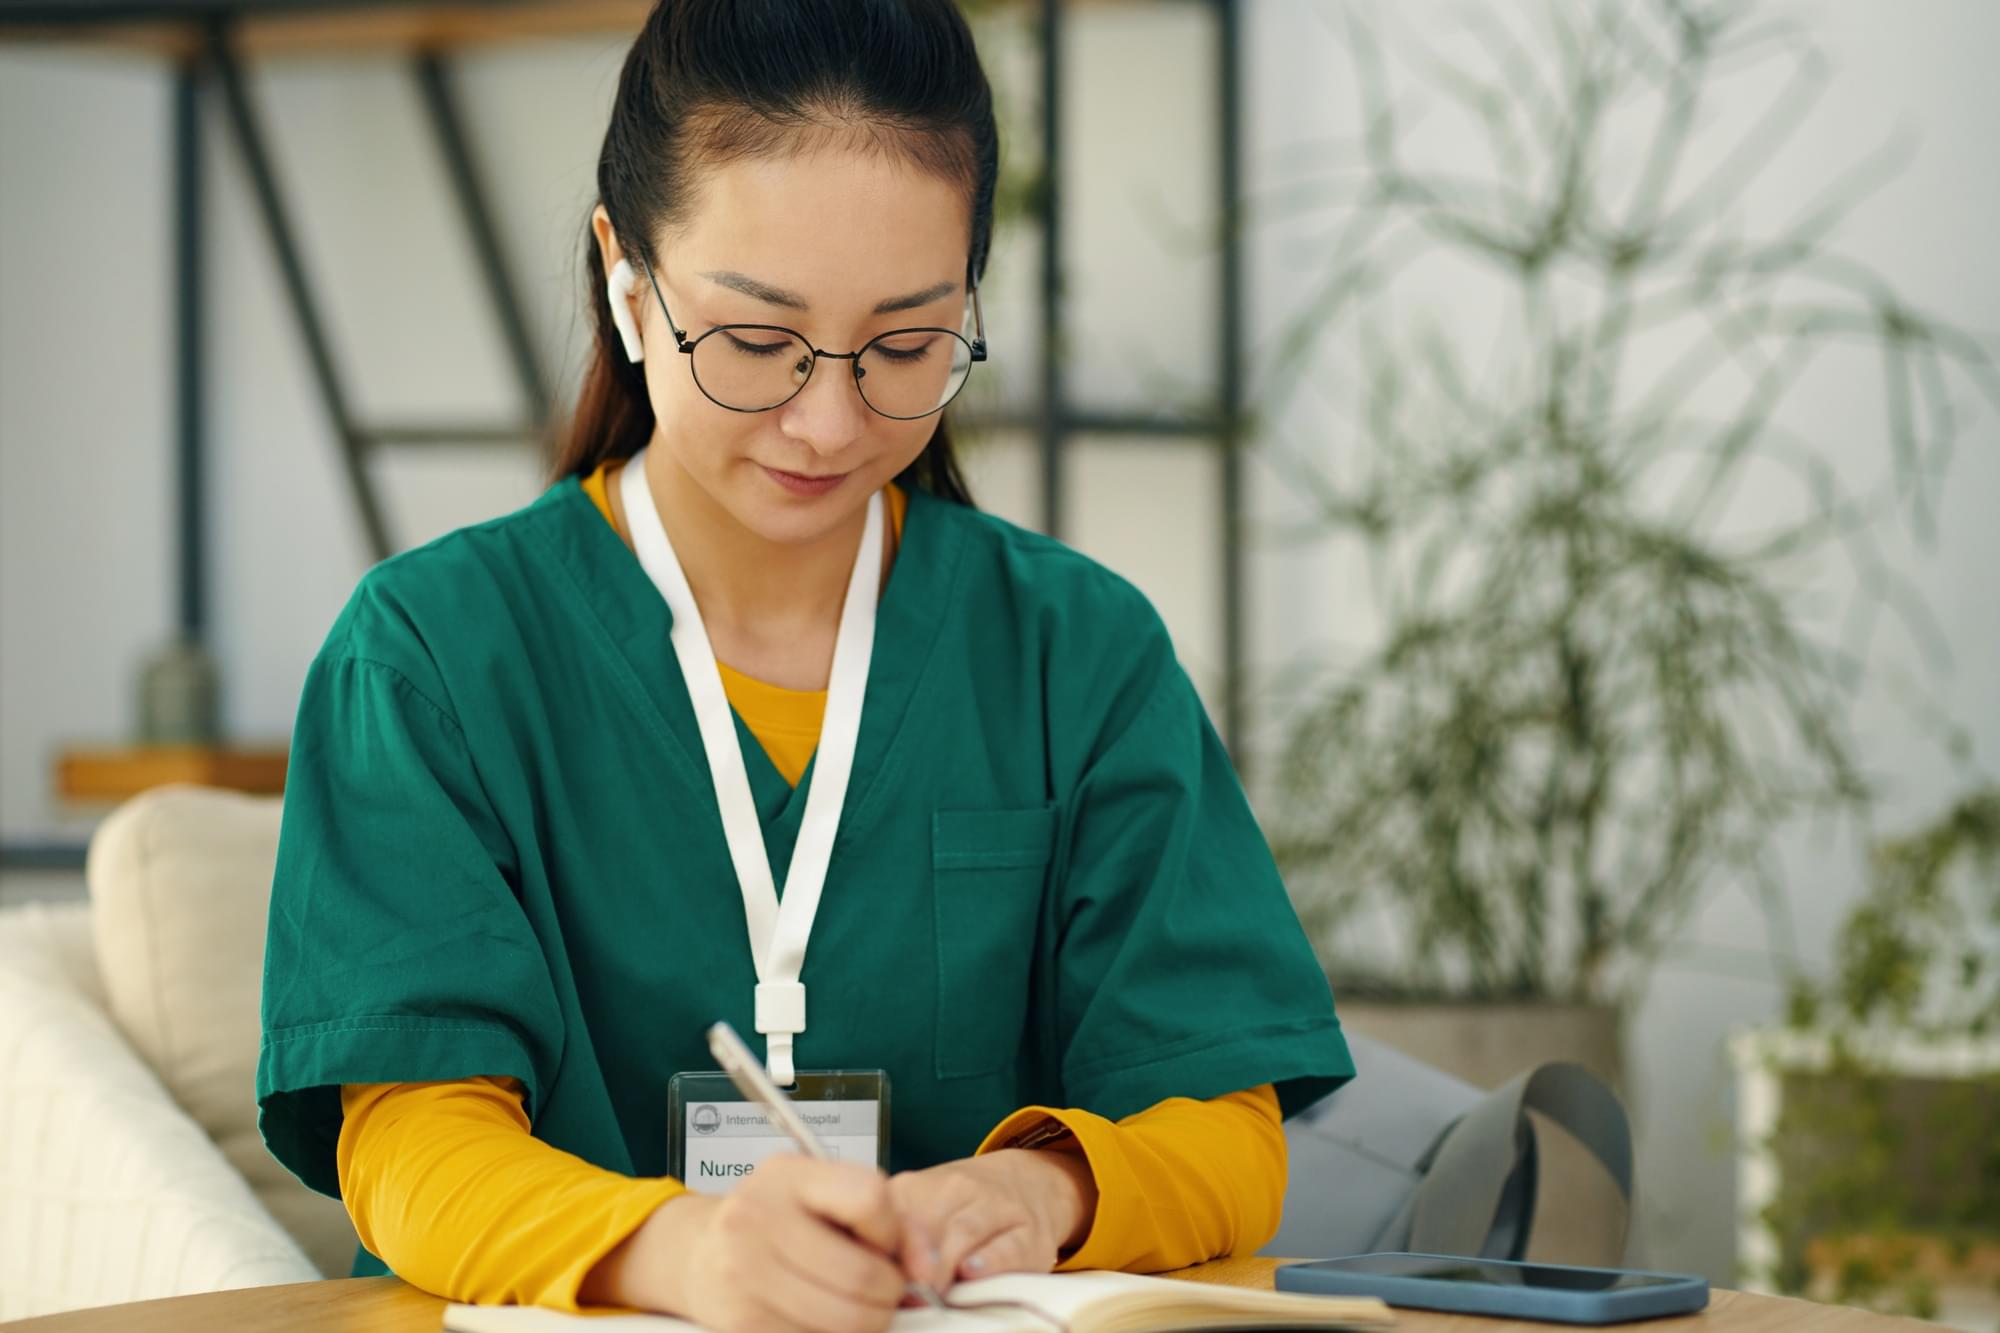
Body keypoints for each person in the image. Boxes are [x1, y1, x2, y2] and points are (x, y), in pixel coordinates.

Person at [255, 1, 1353, 1328]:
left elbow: (1226, 1118)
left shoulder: (1080, 653)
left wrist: (1038, 1189)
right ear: (624, 274)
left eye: (905, 347)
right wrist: (687, 1255)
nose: (829, 421)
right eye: (757, 342)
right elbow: (408, 1149)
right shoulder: (430, 657)